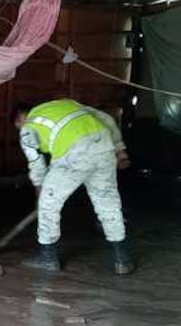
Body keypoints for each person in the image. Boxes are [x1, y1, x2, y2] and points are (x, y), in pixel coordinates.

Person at [12, 98, 134, 275]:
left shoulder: (27, 126)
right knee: (108, 204)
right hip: (103, 147)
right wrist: (119, 149)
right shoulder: (67, 104)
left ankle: (47, 258)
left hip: (72, 154)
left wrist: (41, 194)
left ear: (19, 118)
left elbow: (37, 165)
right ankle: (122, 259)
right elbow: (107, 119)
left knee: (48, 205)